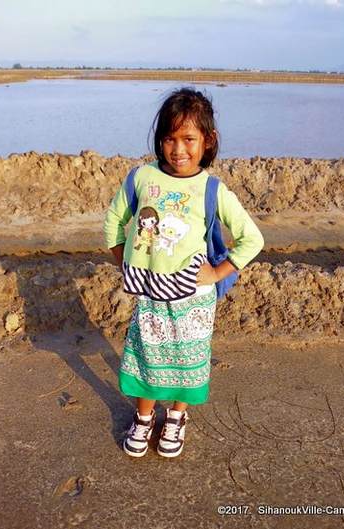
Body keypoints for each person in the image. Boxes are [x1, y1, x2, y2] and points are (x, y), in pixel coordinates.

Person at [103, 87, 264, 458]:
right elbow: (114, 221)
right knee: (147, 357)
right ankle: (144, 418)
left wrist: (217, 271)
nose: (178, 149)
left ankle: (176, 415)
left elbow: (251, 238)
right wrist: (124, 261)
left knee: (186, 359)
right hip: (150, 295)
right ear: (160, 141)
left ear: (208, 141)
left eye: (189, 139)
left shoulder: (212, 189)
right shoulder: (141, 178)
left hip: (195, 298)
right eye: (170, 139)